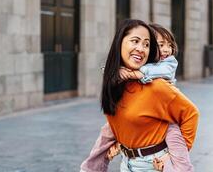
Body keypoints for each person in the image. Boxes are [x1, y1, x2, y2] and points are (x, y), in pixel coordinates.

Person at [80, 19, 199, 172]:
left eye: (146, 44)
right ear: (119, 43)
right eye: (135, 41)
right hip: (127, 162)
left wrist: (174, 156)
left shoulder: (156, 85)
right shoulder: (115, 81)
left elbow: (191, 114)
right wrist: (119, 142)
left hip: (154, 165)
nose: (141, 48)